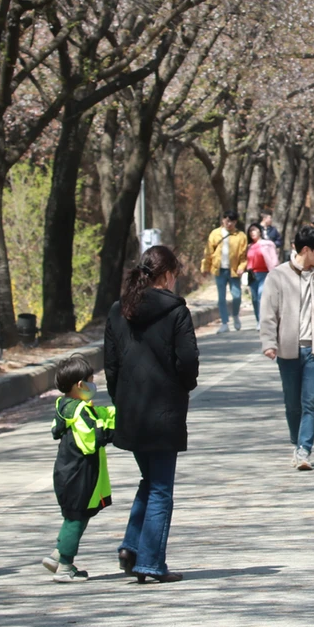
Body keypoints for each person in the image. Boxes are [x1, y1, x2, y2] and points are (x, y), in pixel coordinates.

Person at [105, 245, 199, 584]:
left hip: (130, 409)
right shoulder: (176, 312)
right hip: (164, 411)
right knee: (161, 488)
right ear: (167, 274)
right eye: (175, 273)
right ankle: (150, 562)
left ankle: (132, 545)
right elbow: (187, 360)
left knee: (150, 480)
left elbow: (111, 365)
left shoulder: (119, 310)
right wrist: (185, 385)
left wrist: (120, 400)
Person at [260, 224, 314, 470]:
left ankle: (304, 449)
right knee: (292, 403)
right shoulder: (278, 275)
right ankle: (296, 441)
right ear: (305, 250)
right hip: (288, 349)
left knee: (311, 402)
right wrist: (268, 343)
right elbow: (268, 314)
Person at [42, 354, 114, 583]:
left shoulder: (66, 406)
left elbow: (100, 415)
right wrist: (110, 432)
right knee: (76, 518)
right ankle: (65, 565)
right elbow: (91, 439)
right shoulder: (80, 410)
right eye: (91, 380)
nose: (94, 384)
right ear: (80, 385)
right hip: (79, 474)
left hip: (66, 472)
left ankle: (57, 556)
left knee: (74, 516)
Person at [201, 212, 247, 334]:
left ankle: (235, 315)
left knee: (236, 295)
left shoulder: (240, 236)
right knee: (221, 297)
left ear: (236, 222)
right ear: (223, 220)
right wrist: (205, 267)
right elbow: (208, 252)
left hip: (234, 270)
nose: (229, 223)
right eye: (227, 221)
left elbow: (244, 256)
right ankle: (225, 323)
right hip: (219, 269)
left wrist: (242, 267)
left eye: (232, 221)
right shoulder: (215, 234)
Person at [246, 222, 279, 327]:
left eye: (254, 230)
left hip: (265, 273)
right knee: (255, 299)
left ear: (260, 231)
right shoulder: (249, 246)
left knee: (261, 296)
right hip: (253, 275)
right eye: (250, 231)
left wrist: (274, 272)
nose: (252, 233)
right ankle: (258, 319)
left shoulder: (267, 244)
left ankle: (263, 321)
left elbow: (274, 259)